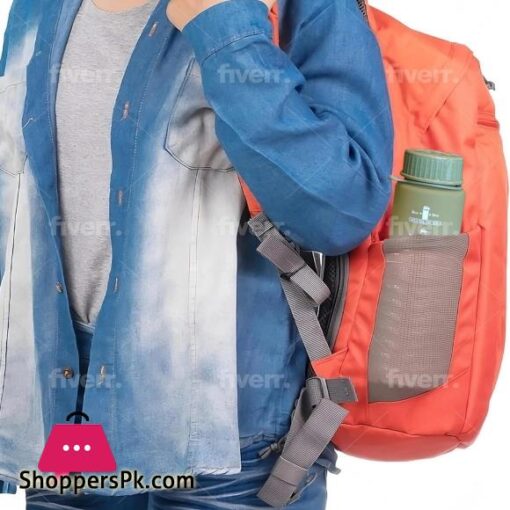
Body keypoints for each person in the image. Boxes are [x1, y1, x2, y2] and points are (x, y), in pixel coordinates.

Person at [0, 0, 393, 507]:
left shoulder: (304, 7)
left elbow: (340, 210)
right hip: (63, 416)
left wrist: (222, 24)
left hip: (229, 442)